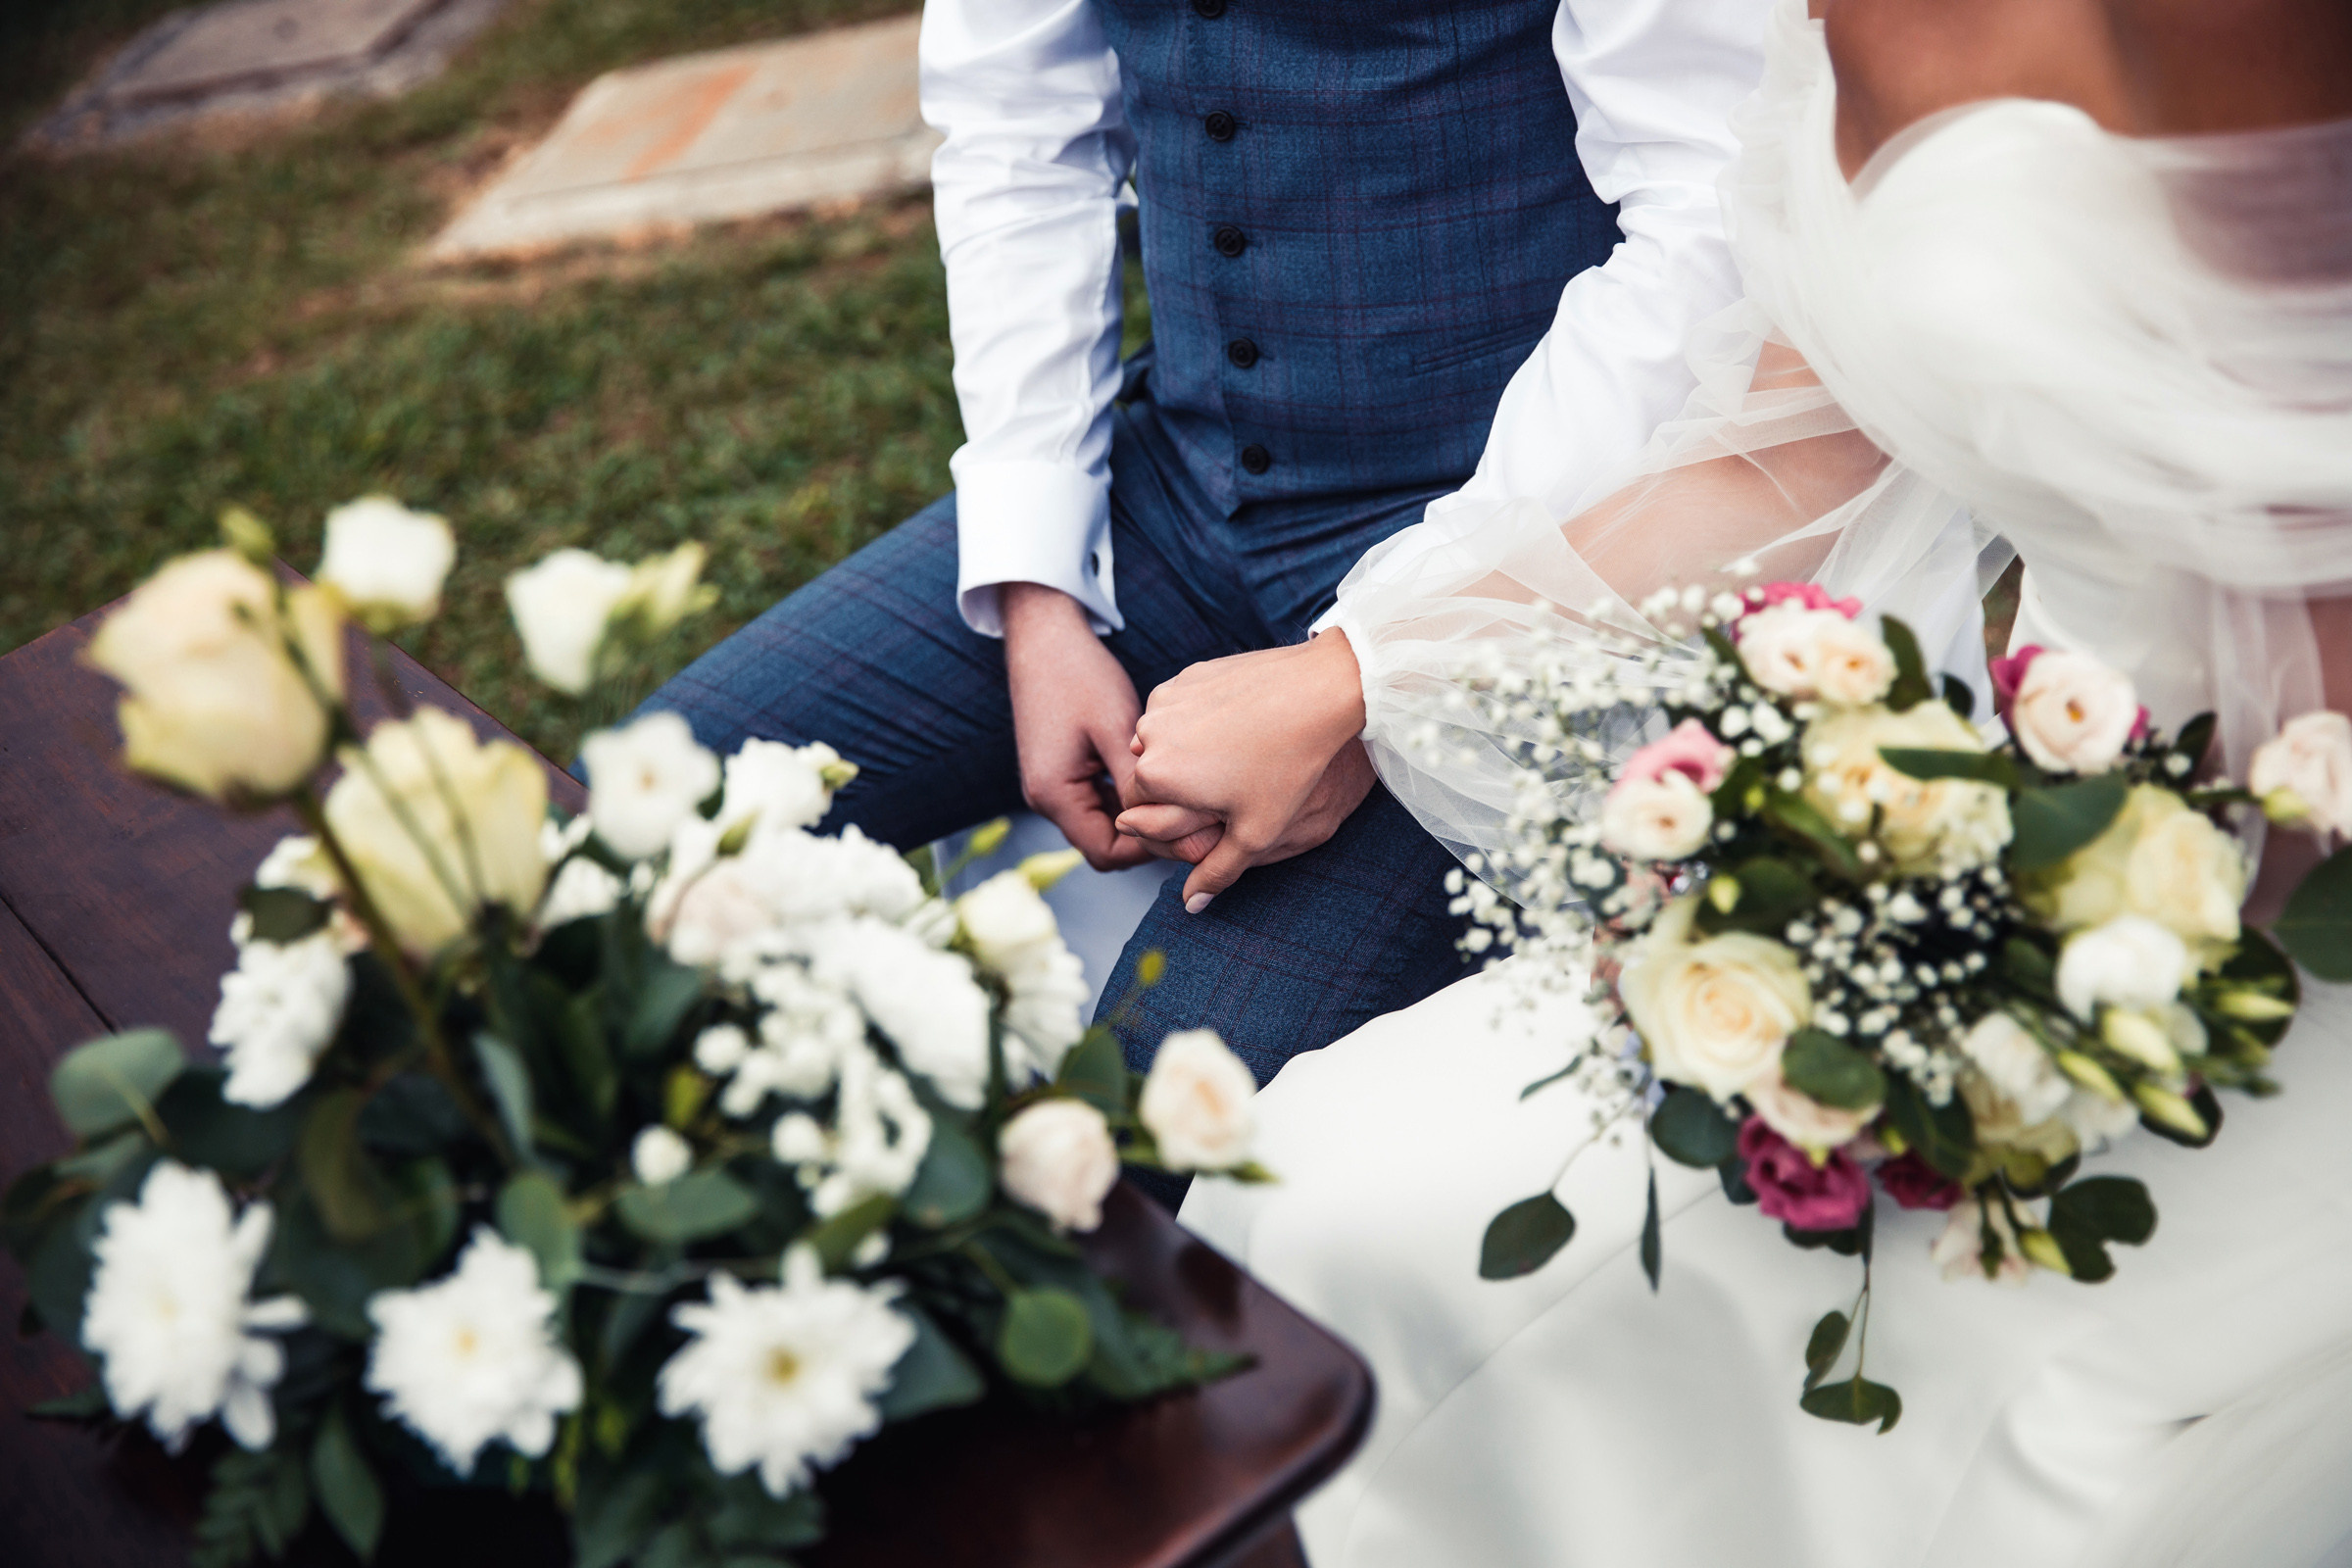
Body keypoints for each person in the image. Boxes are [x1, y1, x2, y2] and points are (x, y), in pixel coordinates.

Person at [1134, 0, 2352, 1561]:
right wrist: (1357, 675)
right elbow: (1780, 462)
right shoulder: (1816, 27)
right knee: (1313, 1180)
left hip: (2263, 929)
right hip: (2000, 840)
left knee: (1385, 1227)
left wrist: (1971, 949)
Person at [640, 0, 1775, 1087]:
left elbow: (1702, 205)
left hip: (1518, 534)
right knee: (645, 825)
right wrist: (1038, 594)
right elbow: (1015, 130)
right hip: (1181, 486)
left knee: (1167, 1096)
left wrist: (1391, 659)